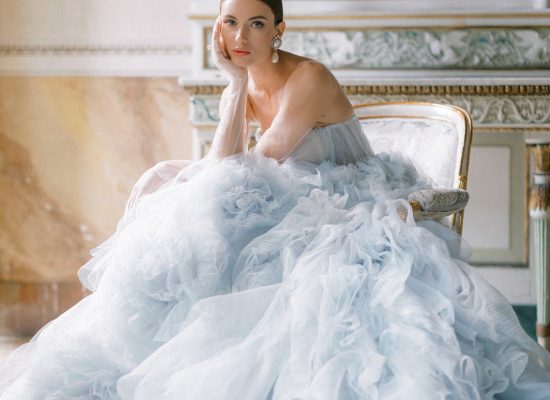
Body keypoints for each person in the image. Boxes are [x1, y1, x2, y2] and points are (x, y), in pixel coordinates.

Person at [1, 0, 550, 398]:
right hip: (287, 189)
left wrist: (214, 158)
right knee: (174, 188)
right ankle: (156, 343)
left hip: (345, 194)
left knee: (210, 205)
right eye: (230, 22)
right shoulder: (242, 80)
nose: (241, 35)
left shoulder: (308, 78)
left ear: (279, 30)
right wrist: (235, 86)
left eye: (256, 23)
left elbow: (263, 158)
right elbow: (224, 164)